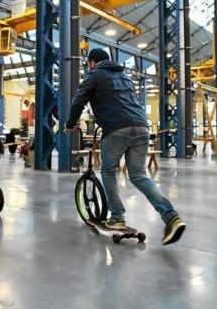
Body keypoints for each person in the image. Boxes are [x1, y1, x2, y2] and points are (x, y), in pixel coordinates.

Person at [64, 48, 186, 245]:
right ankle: (171, 217)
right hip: (142, 127)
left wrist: (70, 124)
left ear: (92, 62)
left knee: (108, 171)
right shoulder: (125, 76)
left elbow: (79, 100)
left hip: (116, 128)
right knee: (139, 175)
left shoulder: (94, 74)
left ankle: (117, 217)